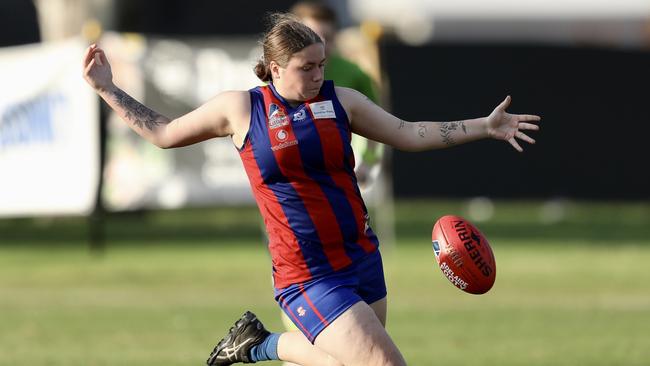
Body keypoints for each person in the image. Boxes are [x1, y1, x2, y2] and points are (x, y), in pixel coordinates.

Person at [82, 12, 540, 366]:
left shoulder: (341, 101)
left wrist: (483, 126)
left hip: (362, 259)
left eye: (321, 64)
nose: (318, 75)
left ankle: (259, 344)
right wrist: (107, 89)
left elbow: (410, 133)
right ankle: (262, 346)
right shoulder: (242, 110)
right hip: (308, 276)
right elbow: (163, 132)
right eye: (306, 67)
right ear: (275, 68)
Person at [291, 0, 381, 188]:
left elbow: (377, 123)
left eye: (327, 37)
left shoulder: (355, 74)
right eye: (312, 36)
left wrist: (368, 162)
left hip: (340, 177)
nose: (320, 44)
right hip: (291, 179)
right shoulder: (278, 75)